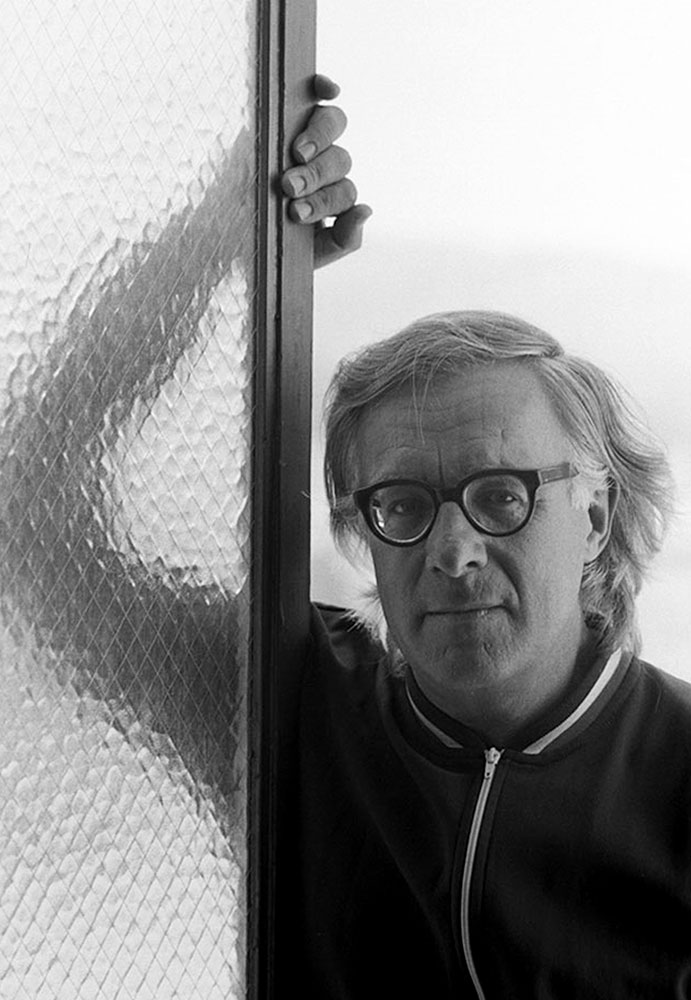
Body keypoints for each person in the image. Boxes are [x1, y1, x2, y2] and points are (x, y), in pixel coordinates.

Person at [275, 310, 691, 998]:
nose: (452, 552)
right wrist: (214, 263)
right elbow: (76, 564)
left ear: (594, 518)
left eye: (500, 497)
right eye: (403, 506)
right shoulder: (288, 690)